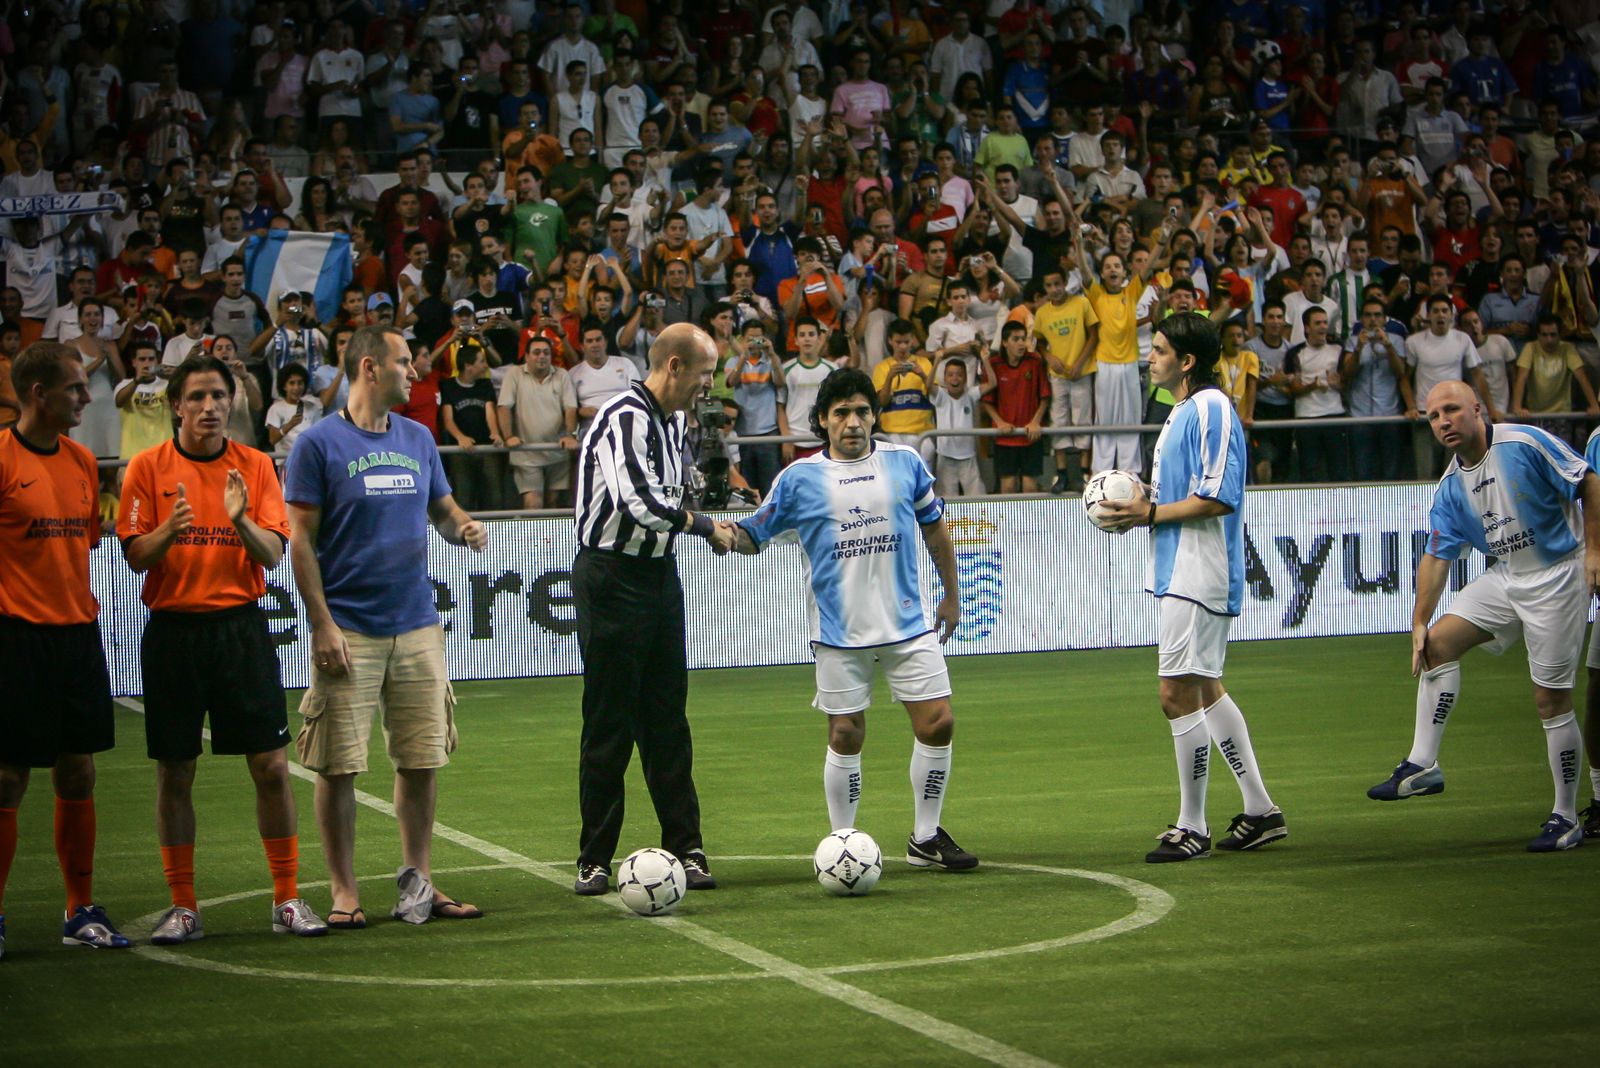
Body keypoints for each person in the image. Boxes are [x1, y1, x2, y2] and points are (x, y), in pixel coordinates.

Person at [730, 366, 976, 870]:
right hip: (838, 631)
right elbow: (753, 535)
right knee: (846, 733)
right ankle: (842, 841)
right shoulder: (798, 478)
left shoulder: (905, 462)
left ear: (874, 416)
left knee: (940, 722)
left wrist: (951, 596)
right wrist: (712, 530)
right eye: (841, 413)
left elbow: (935, 530)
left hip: (908, 624)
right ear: (822, 419)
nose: (853, 422)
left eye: (862, 411)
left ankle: (926, 837)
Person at [117, 354, 327, 943]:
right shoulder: (146, 467)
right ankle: (183, 905)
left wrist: (238, 521)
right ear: (176, 405)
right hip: (173, 633)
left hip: (241, 630)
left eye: (218, 396)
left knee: (271, 766)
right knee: (175, 770)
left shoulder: (256, 465)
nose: (209, 407)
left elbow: (273, 554)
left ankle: (286, 896)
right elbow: (133, 555)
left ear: (232, 401)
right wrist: (169, 529)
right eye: (197, 397)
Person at [284, 326, 488, 929]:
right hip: (349, 627)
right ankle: (344, 891)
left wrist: (463, 527)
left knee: (422, 760)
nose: (415, 372)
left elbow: (442, 511)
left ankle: (418, 882)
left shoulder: (418, 438)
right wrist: (321, 624)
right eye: (404, 362)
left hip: (417, 623)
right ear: (370, 367)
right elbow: (300, 541)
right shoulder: (316, 444)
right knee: (338, 766)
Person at [1367, 381, 1599, 854]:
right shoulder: (1451, 485)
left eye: (1452, 410)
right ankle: (1423, 764)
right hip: (1508, 574)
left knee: (1550, 700)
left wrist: (1595, 551)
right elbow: (1437, 556)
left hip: (1558, 574)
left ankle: (1566, 817)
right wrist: (1418, 621)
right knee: (1436, 644)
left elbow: (1590, 481)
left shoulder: (1524, 443)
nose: (1443, 422)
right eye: (1434, 416)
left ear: (1478, 409)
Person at [1096, 314, 1287, 862]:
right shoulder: (1181, 410)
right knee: (1205, 688)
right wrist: (1141, 501)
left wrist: (1151, 512)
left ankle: (1193, 825)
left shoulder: (1211, 407)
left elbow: (1220, 495)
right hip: (1181, 568)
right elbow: (1186, 490)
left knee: (1176, 694)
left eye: (1159, 350)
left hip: (1200, 569)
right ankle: (1261, 811)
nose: (1149, 358)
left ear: (1186, 361)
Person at [570, 322, 735, 896]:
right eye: (705, 374)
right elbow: (638, 502)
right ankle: (593, 858)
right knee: (610, 721)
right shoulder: (624, 416)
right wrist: (704, 525)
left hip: (660, 576)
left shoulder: (677, 422)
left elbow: (672, 492)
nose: (709, 386)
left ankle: (687, 847)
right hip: (611, 578)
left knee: (668, 720)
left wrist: (720, 498)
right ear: (674, 366)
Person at [0, 343, 130, 957]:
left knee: (78, 769)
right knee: (8, 778)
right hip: (15, 636)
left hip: (77, 634)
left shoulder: (81, 460)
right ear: (38, 393)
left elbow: (82, 545)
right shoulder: (2, 458)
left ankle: (80, 910)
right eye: (75, 388)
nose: (85, 397)